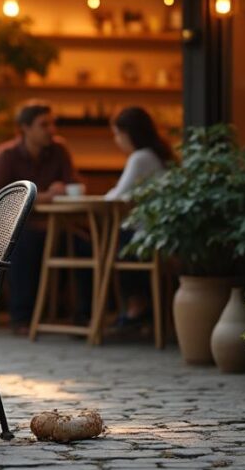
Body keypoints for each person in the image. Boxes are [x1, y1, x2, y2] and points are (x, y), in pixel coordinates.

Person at [0, 100, 81, 334]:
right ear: (24, 128)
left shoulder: (59, 150)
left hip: (54, 226)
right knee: (24, 244)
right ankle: (21, 318)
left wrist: (65, 189)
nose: (51, 130)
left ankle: (83, 317)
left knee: (85, 246)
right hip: (13, 230)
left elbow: (73, 183)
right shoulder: (5, 157)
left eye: (52, 124)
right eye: (44, 125)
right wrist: (41, 197)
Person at [105, 106, 174, 327]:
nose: (116, 140)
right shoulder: (157, 155)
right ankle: (141, 308)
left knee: (115, 245)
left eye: (116, 134)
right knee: (119, 238)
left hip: (149, 237)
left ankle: (137, 308)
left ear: (127, 133)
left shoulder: (140, 157)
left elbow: (118, 196)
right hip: (162, 235)